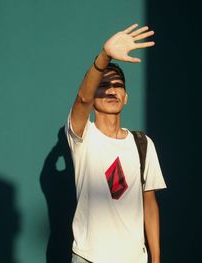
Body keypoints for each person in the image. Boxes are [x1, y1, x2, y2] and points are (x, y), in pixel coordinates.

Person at [65, 24, 167, 263]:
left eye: (118, 86)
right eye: (104, 85)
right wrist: (105, 56)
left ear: (126, 97)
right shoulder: (83, 136)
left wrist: (157, 258)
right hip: (89, 258)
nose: (112, 90)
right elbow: (82, 99)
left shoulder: (143, 144)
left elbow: (150, 205)